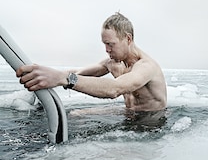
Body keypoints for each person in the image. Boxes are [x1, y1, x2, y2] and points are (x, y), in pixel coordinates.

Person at [16, 12, 167, 117]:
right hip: (128, 113)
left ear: (128, 39)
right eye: (104, 44)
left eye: (110, 44)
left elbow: (115, 89)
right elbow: (79, 72)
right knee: (76, 115)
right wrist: (46, 74)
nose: (107, 50)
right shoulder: (113, 63)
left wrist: (63, 78)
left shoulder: (146, 67)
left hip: (151, 122)